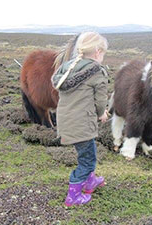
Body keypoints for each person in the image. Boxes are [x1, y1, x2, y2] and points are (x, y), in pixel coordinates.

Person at [51, 32, 109, 206]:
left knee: (87, 153)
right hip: (81, 123)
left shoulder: (68, 66)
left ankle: (90, 181)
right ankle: (73, 196)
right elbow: (100, 101)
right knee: (88, 160)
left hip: (67, 121)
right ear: (98, 52)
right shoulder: (96, 71)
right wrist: (102, 113)